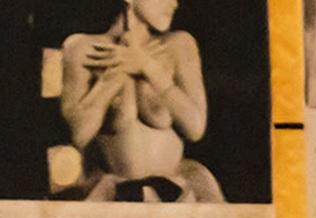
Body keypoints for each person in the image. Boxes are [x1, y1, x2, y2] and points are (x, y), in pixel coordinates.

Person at [59, 0, 221, 202]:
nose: (174, 3)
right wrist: (115, 75)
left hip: (175, 194)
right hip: (109, 196)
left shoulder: (179, 45)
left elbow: (195, 128)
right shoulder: (83, 47)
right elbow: (79, 134)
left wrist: (147, 66)